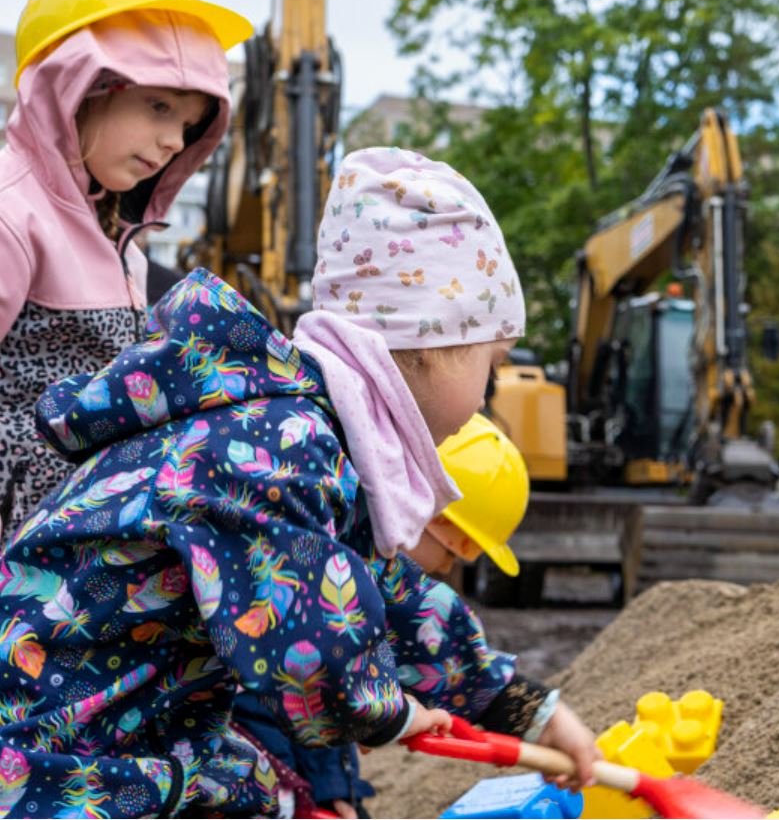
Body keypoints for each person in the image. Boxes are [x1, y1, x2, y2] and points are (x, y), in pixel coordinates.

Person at [0, 148, 597, 817]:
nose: (487, 396)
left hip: (120, 726)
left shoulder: (304, 436)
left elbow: (386, 592)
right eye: (491, 363)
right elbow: (309, 640)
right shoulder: (281, 447)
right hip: (51, 752)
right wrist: (386, 711)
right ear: (431, 343)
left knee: (258, 791)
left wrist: (525, 707)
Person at [0, 0, 252, 541]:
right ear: (78, 87)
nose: (171, 140)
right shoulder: (12, 216)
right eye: (158, 105)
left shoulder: (120, 242)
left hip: (72, 558)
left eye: (188, 124)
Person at [231, 413, 531, 818]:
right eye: (452, 553)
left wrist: (334, 788)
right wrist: (312, 797)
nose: (445, 570)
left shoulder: (347, 571)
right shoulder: (324, 570)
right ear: (429, 515)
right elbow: (275, 689)